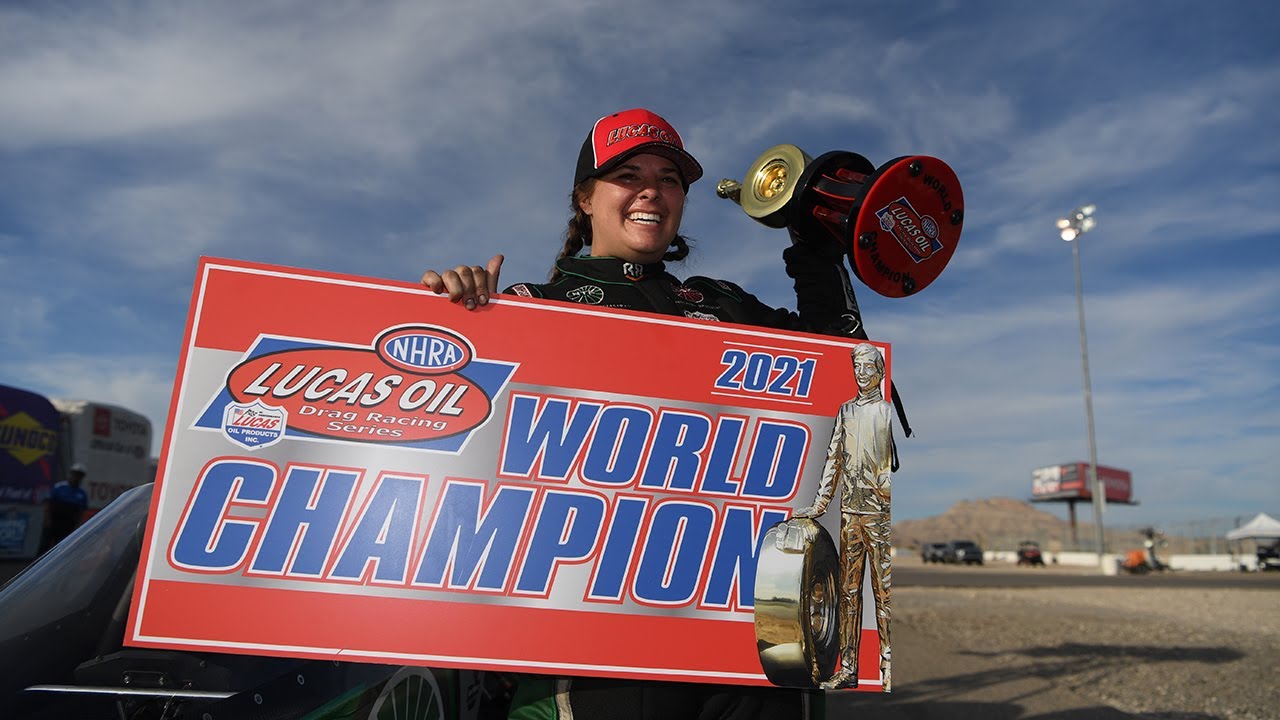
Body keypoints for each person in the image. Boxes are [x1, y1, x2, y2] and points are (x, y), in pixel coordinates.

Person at [422, 107, 872, 719]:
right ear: (585, 198)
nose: (651, 191)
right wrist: (452, 316)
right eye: (627, 174)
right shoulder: (528, 309)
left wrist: (814, 249)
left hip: (748, 624)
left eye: (669, 178)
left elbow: (845, 371)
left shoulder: (720, 301)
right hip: (593, 644)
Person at [791, 343, 895, 692]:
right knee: (849, 592)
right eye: (857, 368)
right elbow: (834, 457)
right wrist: (820, 504)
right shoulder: (846, 411)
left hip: (881, 517)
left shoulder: (887, 411)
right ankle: (848, 668)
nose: (862, 373)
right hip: (850, 515)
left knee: (885, 593)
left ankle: (888, 667)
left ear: (880, 370)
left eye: (868, 367)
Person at [43, 462, 89, 550]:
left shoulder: (82, 493)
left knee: (61, 546)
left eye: (79, 475)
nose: (76, 477)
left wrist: (78, 525)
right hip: (54, 521)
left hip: (68, 524)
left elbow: (81, 511)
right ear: (71, 474)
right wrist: (48, 520)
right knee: (45, 545)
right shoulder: (59, 487)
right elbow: (48, 504)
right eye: (75, 474)